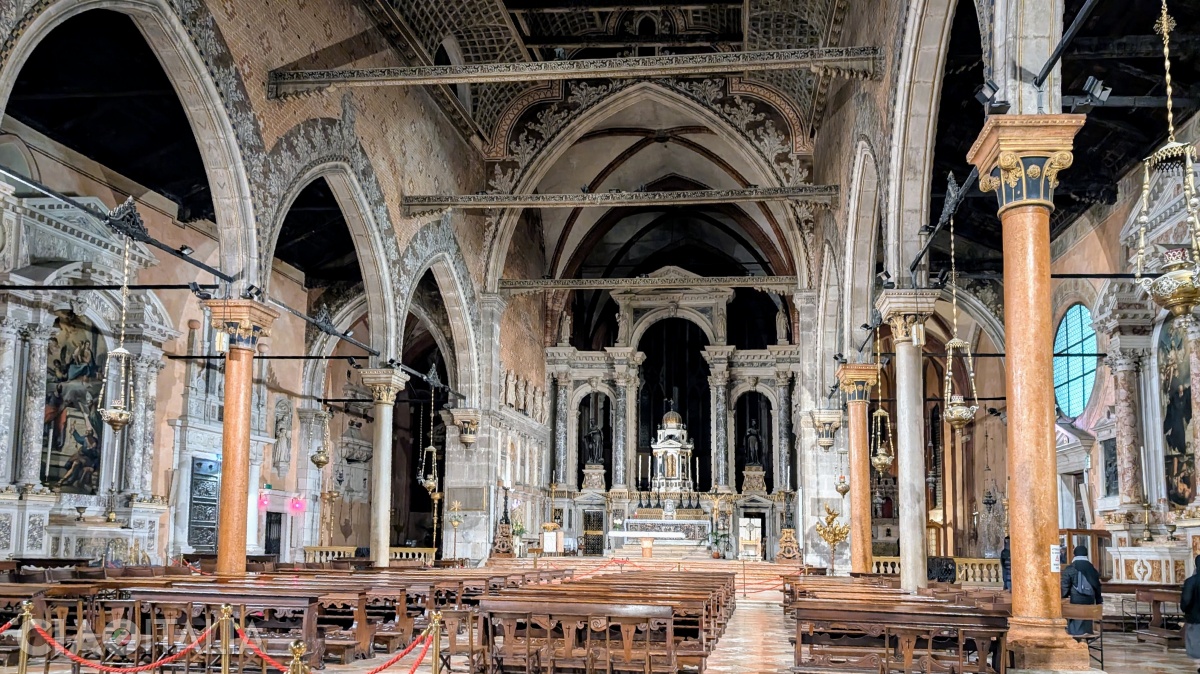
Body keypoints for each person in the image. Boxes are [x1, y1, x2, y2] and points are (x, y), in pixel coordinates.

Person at [1060, 544, 1102, 636]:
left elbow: (1065, 586)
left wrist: (1062, 596)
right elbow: (1097, 586)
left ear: (1074, 554)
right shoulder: (1092, 569)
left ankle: (1076, 636)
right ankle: (1086, 634)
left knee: (1076, 618)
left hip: (1075, 601)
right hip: (1089, 601)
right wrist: (1099, 600)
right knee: (1087, 618)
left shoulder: (1071, 568)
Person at [1181, 555, 1200, 669]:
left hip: (1195, 619)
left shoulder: (1190, 581)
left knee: (1196, 645)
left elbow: (1186, 601)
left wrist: (1186, 611)